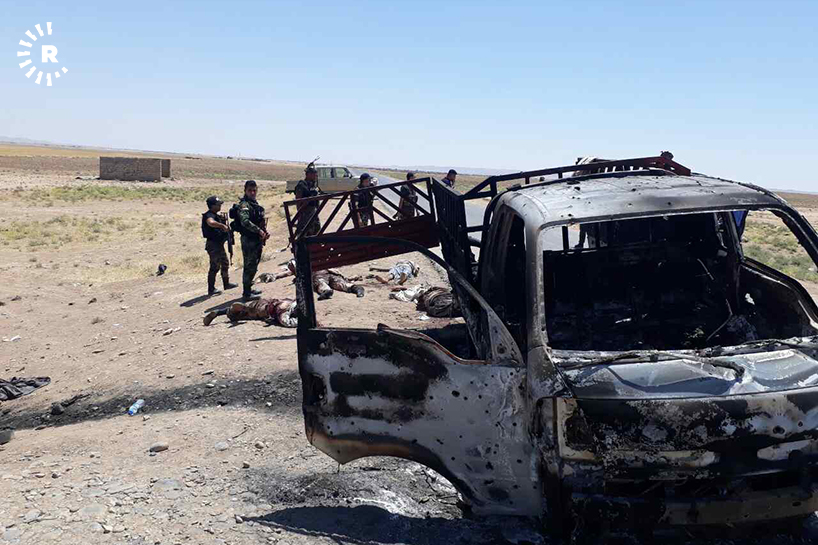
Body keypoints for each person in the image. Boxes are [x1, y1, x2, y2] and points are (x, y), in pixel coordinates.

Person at [236, 180, 269, 299]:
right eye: (250, 190)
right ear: (245, 190)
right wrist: (259, 231)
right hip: (248, 239)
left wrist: (264, 232)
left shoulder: (254, 204)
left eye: (254, 190)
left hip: (256, 239)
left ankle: (249, 288)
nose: (252, 193)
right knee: (249, 266)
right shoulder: (244, 205)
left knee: (254, 265)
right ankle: (246, 293)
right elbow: (245, 222)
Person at [201, 196, 238, 296]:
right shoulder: (209, 215)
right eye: (218, 204)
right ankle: (211, 289)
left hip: (218, 245)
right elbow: (210, 222)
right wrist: (222, 225)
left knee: (225, 263)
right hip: (213, 245)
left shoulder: (215, 215)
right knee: (215, 266)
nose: (220, 206)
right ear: (212, 206)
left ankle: (226, 284)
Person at [203, 298, 297, 328]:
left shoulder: (293, 302)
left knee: (246, 309)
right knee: (235, 316)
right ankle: (234, 310)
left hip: (265, 302)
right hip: (263, 311)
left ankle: (219, 312)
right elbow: (286, 322)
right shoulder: (284, 312)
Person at [294, 162, 321, 236]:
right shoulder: (302, 185)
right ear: (308, 174)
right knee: (304, 232)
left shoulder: (312, 185)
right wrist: (299, 214)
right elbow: (298, 200)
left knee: (316, 230)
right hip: (305, 213)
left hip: (313, 212)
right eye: (314, 174)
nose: (316, 176)